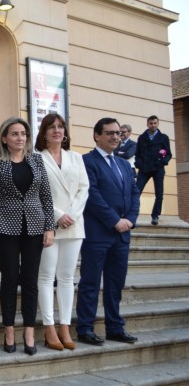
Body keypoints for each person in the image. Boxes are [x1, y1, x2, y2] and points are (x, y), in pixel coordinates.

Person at [0, 117, 54, 356]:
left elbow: (46, 196)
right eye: (14, 134)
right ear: (4, 138)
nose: (20, 138)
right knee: (9, 279)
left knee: (30, 280)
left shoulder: (36, 160)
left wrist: (50, 227)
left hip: (35, 228)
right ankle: (9, 330)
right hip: (6, 228)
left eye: (23, 133)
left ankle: (28, 330)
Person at [76, 118, 140, 346]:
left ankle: (115, 327)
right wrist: (115, 220)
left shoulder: (124, 164)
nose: (116, 137)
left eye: (118, 133)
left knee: (115, 283)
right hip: (97, 234)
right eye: (110, 133)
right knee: (90, 283)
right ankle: (85, 328)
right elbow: (92, 195)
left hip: (122, 235)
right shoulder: (87, 161)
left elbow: (134, 194)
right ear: (96, 135)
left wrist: (130, 220)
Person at [34, 113, 89, 351]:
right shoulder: (35, 158)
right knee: (46, 277)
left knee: (67, 278)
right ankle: (48, 326)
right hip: (48, 223)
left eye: (60, 127)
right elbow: (35, 190)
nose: (57, 130)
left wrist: (72, 215)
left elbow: (84, 189)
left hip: (74, 224)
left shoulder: (76, 158)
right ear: (44, 133)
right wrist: (58, 215)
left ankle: (65, 326)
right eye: (52, 127)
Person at [135, 115, 171, 225]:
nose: (153, 125)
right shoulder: (141, 137)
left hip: (158, 168)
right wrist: (138, 164)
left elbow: (168, 154)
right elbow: (137, 153)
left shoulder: (164, 137)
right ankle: (133, 213)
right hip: (144, 169)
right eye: (151, 123)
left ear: (158, 124)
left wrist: (162, 162)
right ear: (147, 124)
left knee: (159, 194)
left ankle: (155, 215)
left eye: (155, 123)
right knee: (136, 191)